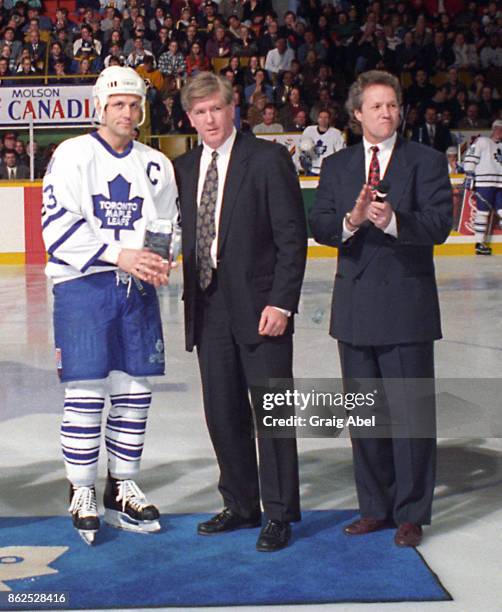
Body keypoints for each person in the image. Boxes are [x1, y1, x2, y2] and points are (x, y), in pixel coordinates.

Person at [309, 70, 452, 548]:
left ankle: (411, 512)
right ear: (357, 114)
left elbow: (438, 225)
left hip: (408, 307)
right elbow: (322, 226)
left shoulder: (427, 161)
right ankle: (375, 507)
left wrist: (394, 221)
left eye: (392, 105)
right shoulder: (336, 167)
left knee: (411, 416)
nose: (386, 113)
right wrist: (350, 221)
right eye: (376, 106)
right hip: (354, 307)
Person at [41, 66, 180, 545]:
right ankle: (81, 489)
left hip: (137, 289)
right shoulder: (72, 155)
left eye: (135, 104)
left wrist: (160, 260)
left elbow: (166, 224)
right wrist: (120, 254)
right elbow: (57, 227)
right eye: (118, 103)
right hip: (84, 286)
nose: (128, 112)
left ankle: (122, 485)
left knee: (134, 389)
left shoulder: (155, 162)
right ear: (100, 106)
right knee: (85, 391)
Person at [174, 73, 307, 552]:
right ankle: (241, 503)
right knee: (223, 413)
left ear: (233, 110)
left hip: (261, 309)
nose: (209, 119)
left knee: (272, 414)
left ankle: (278, 512)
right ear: (190, 118)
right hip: (209, 310)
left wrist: (282, 302)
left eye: (216, 109)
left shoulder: (268, 159)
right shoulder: (183, 167)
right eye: (200, 112)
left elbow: (292, 238)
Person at [462, 119, 502, 255]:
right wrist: (469, 174)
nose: (499, 132)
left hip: (500, 183)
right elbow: (471, 156)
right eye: (497, 128)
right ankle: (479, 243)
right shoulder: (482, 141)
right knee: (483, 213)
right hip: (484, 183)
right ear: (493, 129)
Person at [300, 109, 345, 175]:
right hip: (312, 169)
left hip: (328, 170)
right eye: (321, 117)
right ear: (317, 119)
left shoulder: (336, 133)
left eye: (326, 117)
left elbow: (341, 153)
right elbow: (302, 148)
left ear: (329, 120)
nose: (323, 119)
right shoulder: (308, 130)